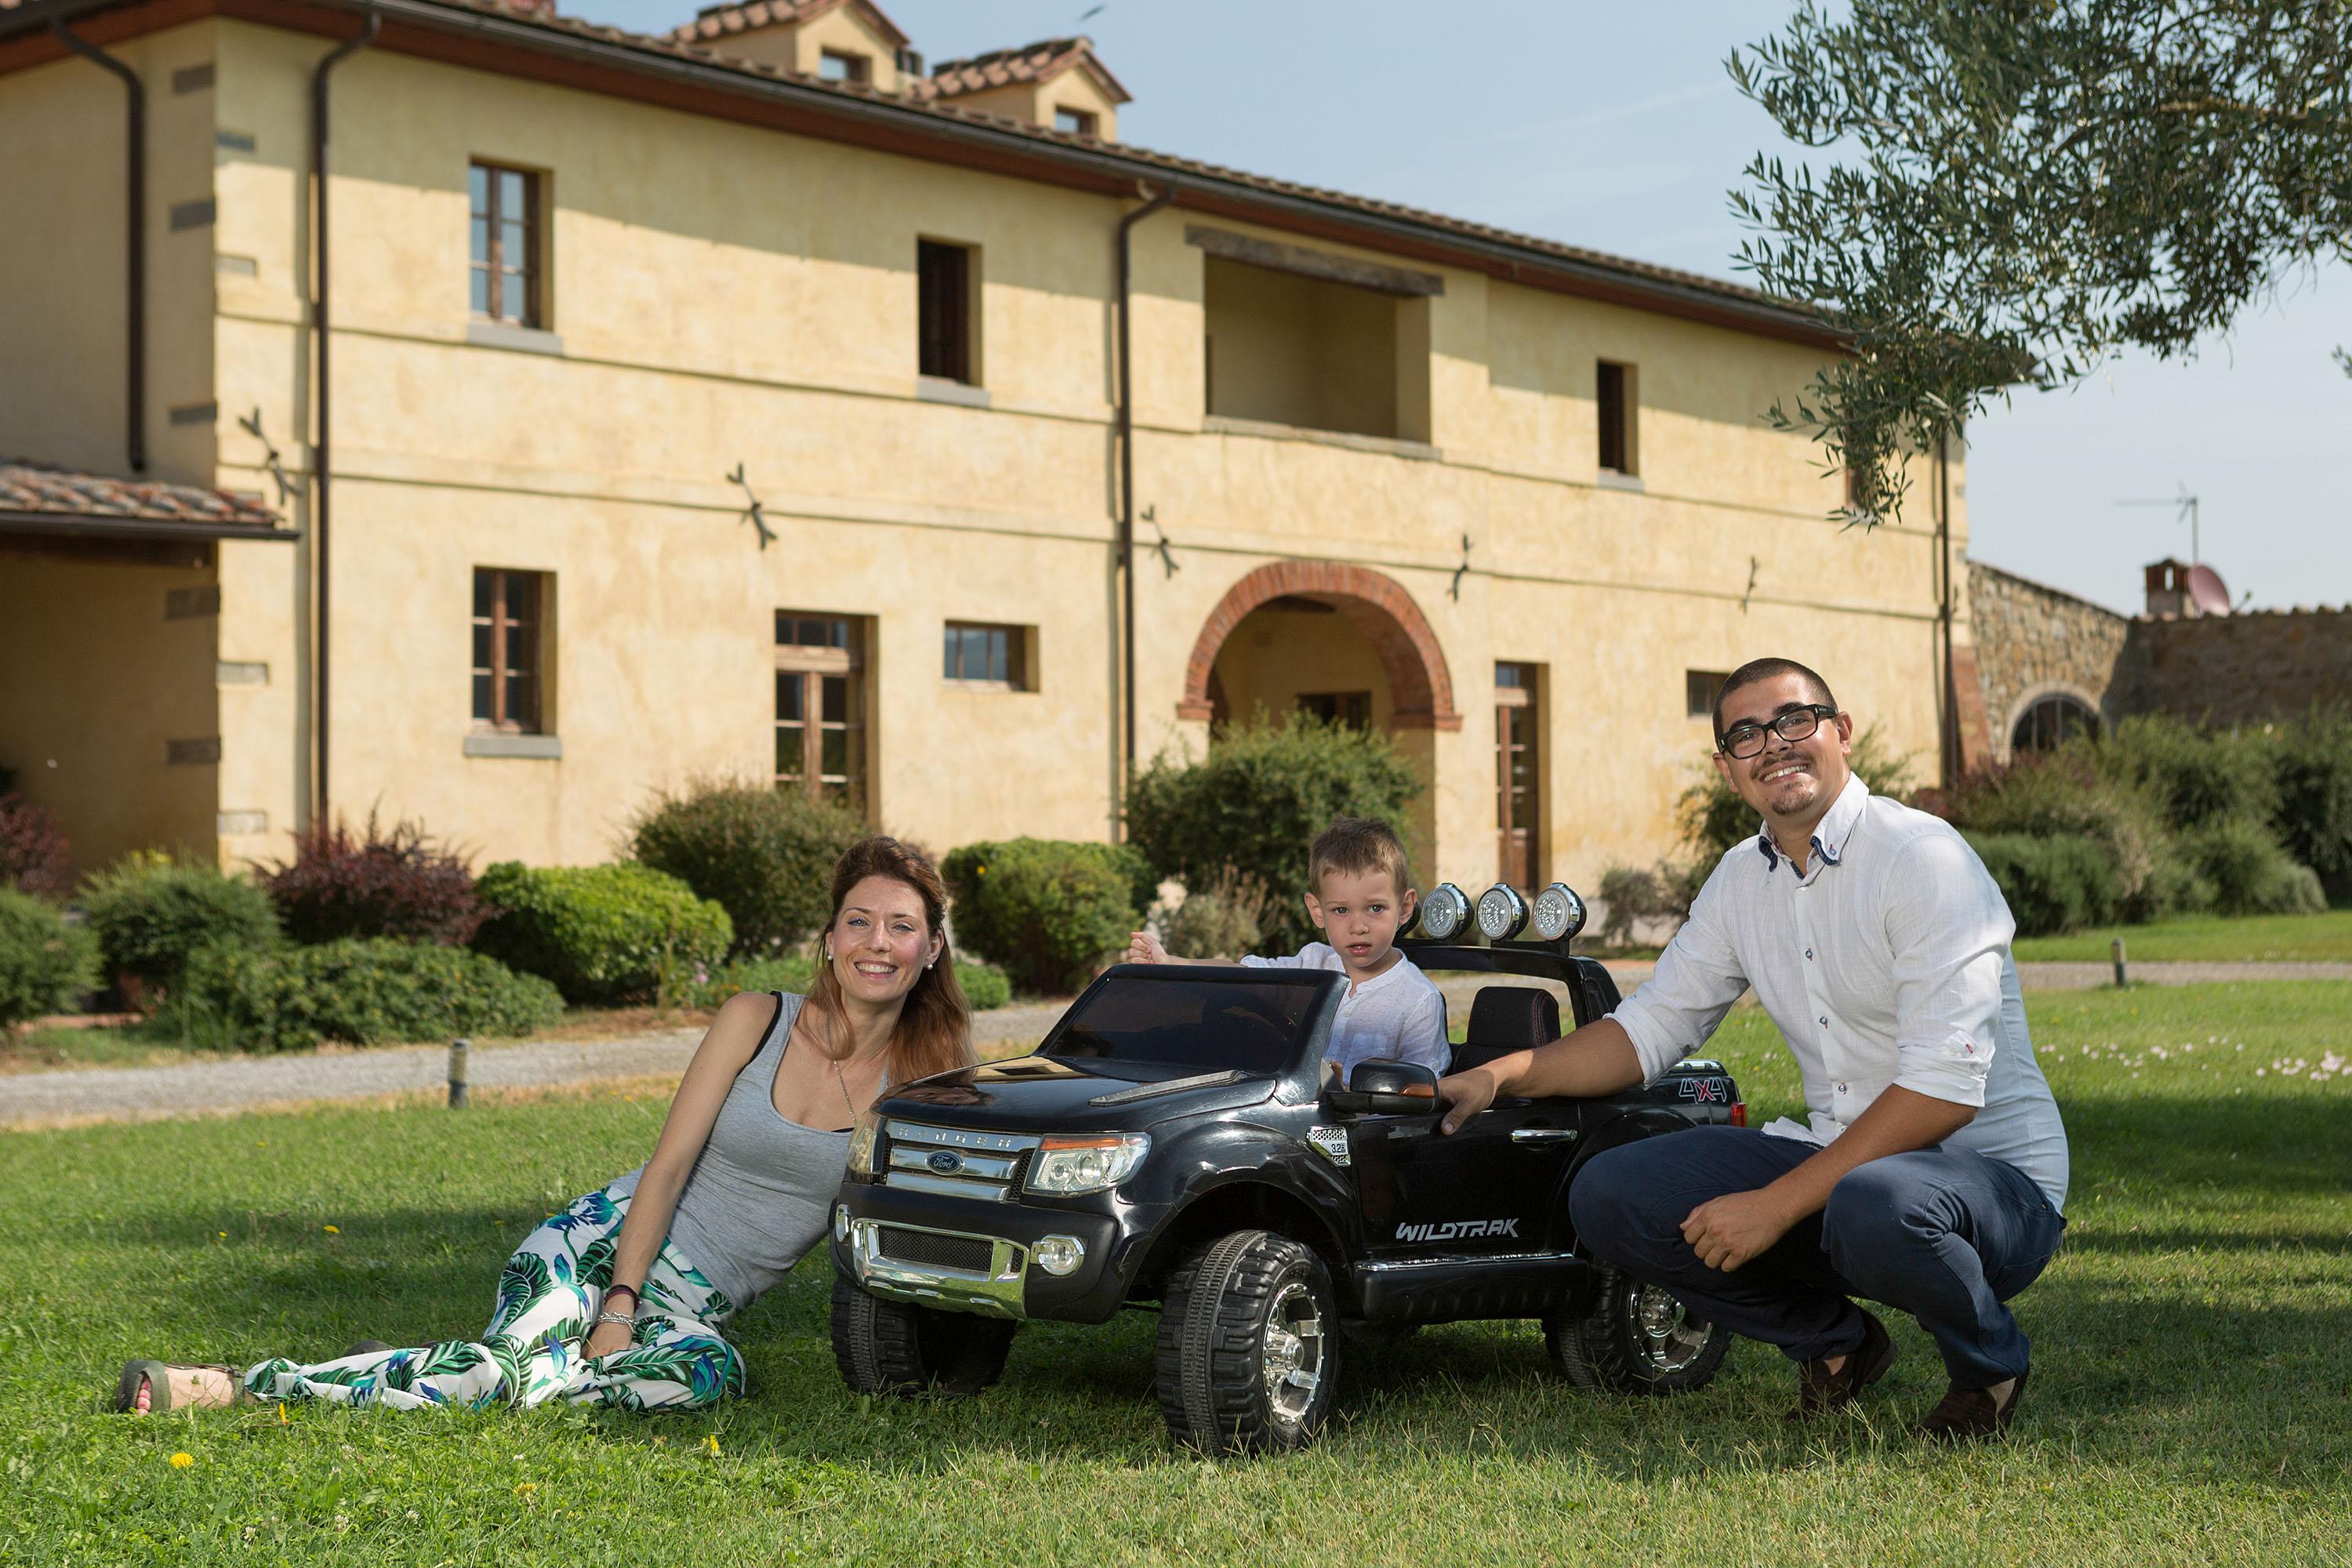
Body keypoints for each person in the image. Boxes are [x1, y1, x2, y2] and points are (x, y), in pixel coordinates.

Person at [115, 836, 973, 1416]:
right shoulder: (756, 1017)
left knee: (712, 1374)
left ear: (931, 948)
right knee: (509, 1371)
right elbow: (667, 1169)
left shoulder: (931, 1076)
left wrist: (1118, 980)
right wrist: (620, 1303)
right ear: (828, 937)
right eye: (858, 919)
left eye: (901, 925)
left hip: (698, 1303)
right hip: (605, 1243)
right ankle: (238, 1384)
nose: (876, 941)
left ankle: (412, 1365)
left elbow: (1029, 1112)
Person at [1436, 659, 2069, 1441]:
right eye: (1745, 733)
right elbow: (1651, 1028)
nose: (1773, 744)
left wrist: (1774, 1205)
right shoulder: (1742, 878)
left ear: (1841, 731)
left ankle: (1988, 1364)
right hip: (1845, 1177)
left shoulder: (1921, 858)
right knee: (1608, 1192)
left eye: (1794, 720)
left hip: (1990, 1188)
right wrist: (1499, 1075)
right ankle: (1836, 1347)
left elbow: (1945, 1089)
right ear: (1727, 767)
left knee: (1878, 1201)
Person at [1126, 817, 1448, 1083]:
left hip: (1370, 1144)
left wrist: (1351, 1096)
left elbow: (1423, 1098)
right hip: (1289, 1125)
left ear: (1405, 908)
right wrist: (1170, 962)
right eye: (1341, 911)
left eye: (1375, 909)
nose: (1358, 926)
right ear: (1317, 910)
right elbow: (1243, 976)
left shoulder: (1419, 1001)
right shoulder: (1311, 965)